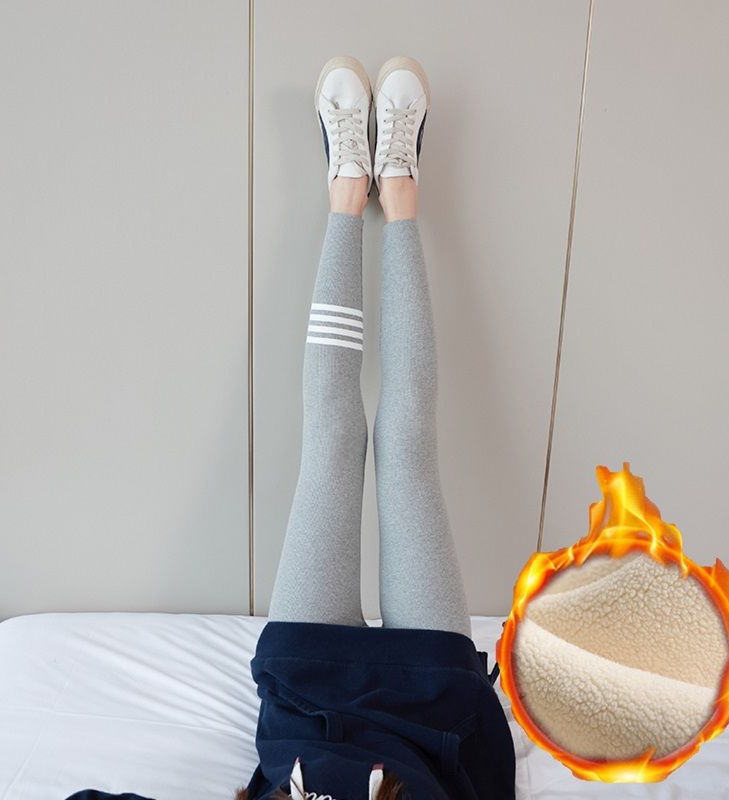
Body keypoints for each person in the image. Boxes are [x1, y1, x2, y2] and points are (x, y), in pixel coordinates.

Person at [236, 56, 516, 800]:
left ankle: (346, 191)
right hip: (433, 703)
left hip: (306, 688)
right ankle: (399, 192)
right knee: (405, 447)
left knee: (333, 441)